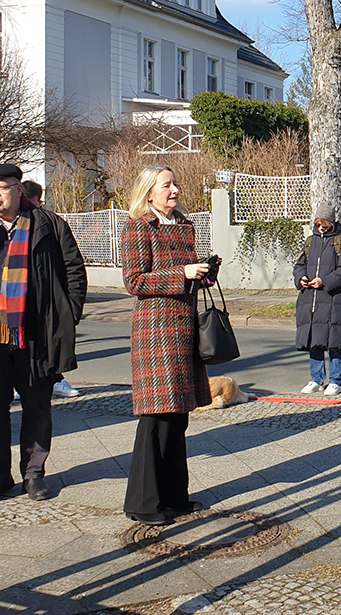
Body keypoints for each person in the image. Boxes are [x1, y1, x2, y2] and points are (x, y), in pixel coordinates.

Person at [0, 164, 87, 503]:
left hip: (35, 334)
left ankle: (33, 475)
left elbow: (74, 271)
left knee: (36, 406)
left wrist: (66, 316)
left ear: (18, 189)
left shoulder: (48, 225)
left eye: (1, 188)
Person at [121, 165, 218, 525]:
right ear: (149, 192)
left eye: (175, 183)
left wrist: (203, 273)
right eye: (167, 185)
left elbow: (185, 273)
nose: (175, 189)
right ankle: (144, 503)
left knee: (178, 417)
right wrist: (182, 273)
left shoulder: (184, 224)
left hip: (184, 330)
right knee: (156, 418)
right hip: (156, 333)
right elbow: (134, 281)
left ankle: (175, 496)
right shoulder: (138, 226)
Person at [21, 181, 79, 400]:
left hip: (47, 310)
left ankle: (56, 379)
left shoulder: (51, 224)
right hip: (11, 314)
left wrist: (70, 309)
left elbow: (73, 267)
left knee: (39, 401)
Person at [293, 204, 341, 395]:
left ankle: (336, 380)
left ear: (331, 224)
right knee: (315, 340)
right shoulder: (310, 241)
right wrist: (301, 278)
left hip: (333, 298)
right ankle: (316, 379)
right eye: (319, 225)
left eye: (325, 226)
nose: (321, 229)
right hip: (310, 299)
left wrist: (324, 281)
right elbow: (299, 265)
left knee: (334, 341)